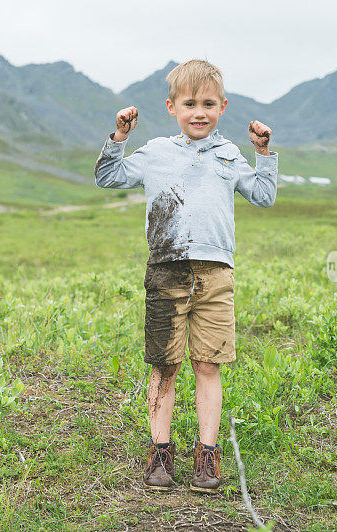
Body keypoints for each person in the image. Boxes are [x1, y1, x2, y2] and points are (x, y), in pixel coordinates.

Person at [93, 59, 278, 493]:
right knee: (165, 365)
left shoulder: (229, 155)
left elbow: (265, 196)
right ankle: (161, 452)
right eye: (189, 103)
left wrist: (264, 153)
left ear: (223, 107)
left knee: (208, 364)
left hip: (216, 274)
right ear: (172, 106)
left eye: (209, 104)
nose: (199, 111)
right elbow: (107, 176)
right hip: (165, 271)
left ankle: (207, 456)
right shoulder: (156, 152)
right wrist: (119, 138)